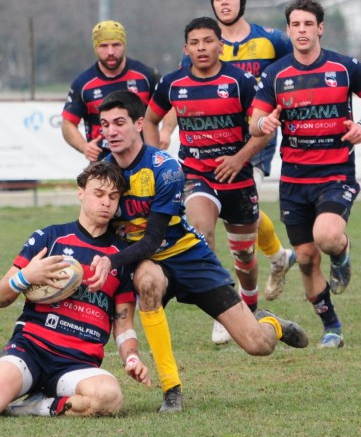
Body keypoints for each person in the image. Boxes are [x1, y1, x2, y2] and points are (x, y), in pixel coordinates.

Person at [89, 89, 308, 413]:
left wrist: (110, 261)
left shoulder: (165, 168)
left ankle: (271, 324)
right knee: (147, 282)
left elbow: (153, 239)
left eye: (119, 123)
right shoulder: (102, 172)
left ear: (138, 124)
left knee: (258, 345)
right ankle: (172, 390)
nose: (111, 131)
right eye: (105, 124)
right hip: (146, 262)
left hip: (187, 256)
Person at [0, 161, 152, 418]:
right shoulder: (49, 238)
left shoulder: (120, 256)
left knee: (109, 397)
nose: (106, 202)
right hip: (31, 349)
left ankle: (33, 406)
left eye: (113, 196)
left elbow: (124, 324)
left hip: (78, 363)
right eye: (98, 194)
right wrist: (26, 276)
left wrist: (132, 358)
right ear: (80, 192)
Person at [249, 0, 361, 350]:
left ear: (320, 28)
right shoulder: (275, 74)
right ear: (288, 30)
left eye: (308, 24)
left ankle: (341, 254)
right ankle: (332, 328)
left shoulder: (344, 68)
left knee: (327, 237)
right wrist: (264, 124)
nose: (302, 30)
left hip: (335, 173)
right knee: (308, 259)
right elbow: (254, 122)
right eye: (295, 24)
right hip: (294, 180)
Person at [145, 17, 272, 346]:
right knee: (201, 230)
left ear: (220, 45)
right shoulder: (173, 83)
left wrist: (239, 158)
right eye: (195, 43)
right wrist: (154, 159)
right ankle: (222, 309)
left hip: (238, 178)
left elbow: (264, 129)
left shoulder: (241, 81)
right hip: (196, 174)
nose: (201, 48)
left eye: (208, 41)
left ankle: (249, 304)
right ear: (186, 49)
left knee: (245, 257)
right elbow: (150, 119)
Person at [198, 0, 298, 301]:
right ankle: (279, 257)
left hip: (257, 139)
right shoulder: (204, 43)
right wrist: (165, 128)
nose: (224, 2)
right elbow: (189, 85)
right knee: (239, 212)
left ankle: (237, 304)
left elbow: (297, 70)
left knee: (236, 213)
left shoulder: (272, 40)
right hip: (218, 140)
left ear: (242, 2)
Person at [61, 20, 158, 162]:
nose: (110, 52)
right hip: (103, 164)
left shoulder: (146, 76)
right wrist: (84, 147)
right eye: (103, 46)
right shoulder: (83, 84)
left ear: (124, 45)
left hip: (142, 161)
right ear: (95, 47)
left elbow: (170, 103)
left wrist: (165, 132)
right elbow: (68, 123)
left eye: (116, 45)